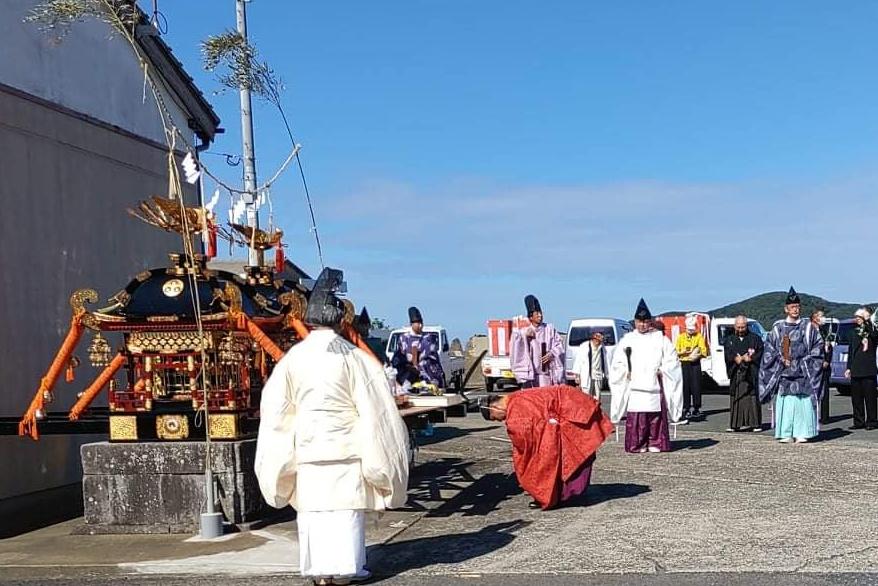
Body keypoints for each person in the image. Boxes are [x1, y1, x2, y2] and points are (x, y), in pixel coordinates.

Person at [255, 267, 410, 586]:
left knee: (313, 515)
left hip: (309, 451)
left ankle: (318, 571)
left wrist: (280, 458)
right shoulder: (355, 359)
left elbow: (277, 411)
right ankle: (346, 570)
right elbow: (376, 411)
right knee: (345, 514)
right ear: (339, 319)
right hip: (346, 450)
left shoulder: (292, 360)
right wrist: (383, 460)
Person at [480, 385, 613, 509]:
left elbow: (524, 440)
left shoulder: (516, 409)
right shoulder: (515, 399)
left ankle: (559, 496)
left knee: (554, 458)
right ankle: (561, 495)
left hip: (574, 412)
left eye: (495, 418)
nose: (499, 421)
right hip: (574, 406)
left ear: (495, 408)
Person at [609, 299, 684, 453]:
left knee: (655, 416)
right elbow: (617, 362)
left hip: (654, 383)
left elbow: (672, 361)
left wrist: (663, 370)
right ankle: (638, 443)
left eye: (645, 321)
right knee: (638, 416)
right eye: (639, 321)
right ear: (635, 321)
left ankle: (656, 442)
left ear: (650, 322)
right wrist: (624, 371)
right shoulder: (628, 340)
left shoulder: (660, 339)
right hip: (635, 384)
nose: (642, 324)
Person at [759, 287, 823, 444]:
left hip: (803, 372)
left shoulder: (808, 328)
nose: (796, 310)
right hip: (784, 373)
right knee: (786, 405)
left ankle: (803, 432)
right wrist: (780, 359)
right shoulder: (778, 328)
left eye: (798, 307)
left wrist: (805, 361)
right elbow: (769, 350)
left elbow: (818, 347)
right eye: (793, 307)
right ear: (786, 309)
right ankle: (785, 432)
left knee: (803, 405)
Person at [510, 294, 565, 387]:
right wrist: (524, 336)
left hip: (547, 375)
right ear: (531, 317)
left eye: (540, 313)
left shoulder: (549, 329)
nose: (540, 315)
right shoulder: (525, 331)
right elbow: (515, 345)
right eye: (537, 314)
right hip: (531, 376)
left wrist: (551, 354)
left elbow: (559, 345)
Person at [723, 315, 763, 432]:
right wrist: (735, 358)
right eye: (738, 327)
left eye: (743, 327)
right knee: (737, 396)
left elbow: (760, 351)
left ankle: (755, 424)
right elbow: (727, 354)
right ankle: (735, 425)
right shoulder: (729, 339)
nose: (741, 330)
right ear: (735, 326)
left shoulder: (755, 338)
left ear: (747, 326)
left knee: (752, 397)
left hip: (751, 372)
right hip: (737, 372)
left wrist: (751, 358)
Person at [844, 307, 878, 430]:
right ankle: (859, 421)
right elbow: (851, 351)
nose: (857, 319)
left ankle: (872, 421)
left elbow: (875, 336)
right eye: (857, 317)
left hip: (868, 368)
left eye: (860, 317)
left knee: (870, 398)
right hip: (856, 368)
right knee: (856, 399)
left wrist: (868, 321)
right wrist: (848, 368)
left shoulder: (872, 331)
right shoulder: (853, 332)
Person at [397, 306, 446, 388]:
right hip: (408, 375)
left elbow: (432, 356)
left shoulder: (428, 338)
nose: (420, 325)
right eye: (417, 323)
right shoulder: (404, 338)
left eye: (421, 323)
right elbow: (401, 356)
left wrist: (418, 365)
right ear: (411, 324)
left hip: (427, 373)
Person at [675, 315, 708, 420]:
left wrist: (697, 354)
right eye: (689, 330)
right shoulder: (681, 337)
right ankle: (686, 407)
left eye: (692, 330)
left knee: (696, 386)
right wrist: (683, 352)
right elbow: (675, 351)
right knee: (685, 386)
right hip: (684, 363)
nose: (691, 332)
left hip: (695, 364)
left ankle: (697, 407)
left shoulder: (698, 336)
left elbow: (704, 351)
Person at [572, 331, 608, 399]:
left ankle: (596, 409)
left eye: (600, 339)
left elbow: (605, 362)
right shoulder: (584, 346)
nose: (599, 341)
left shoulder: (602, 347)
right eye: (597, 339)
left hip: (598, 375)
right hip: (586, 376)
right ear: (593, 338)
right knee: (586, 397)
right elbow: (578, 361)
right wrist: (577, 376)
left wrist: (606, 374)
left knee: (597, 398)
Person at [812, 309, 832, 425]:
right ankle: (812, 415)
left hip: (824, 365)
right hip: (812, 366)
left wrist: (827, 360)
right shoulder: (809, 331)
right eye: (821, 316)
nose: (823, 318)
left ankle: (825, 417)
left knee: (825, 392)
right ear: (815, 318)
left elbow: (829, 348)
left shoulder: (824, 331)